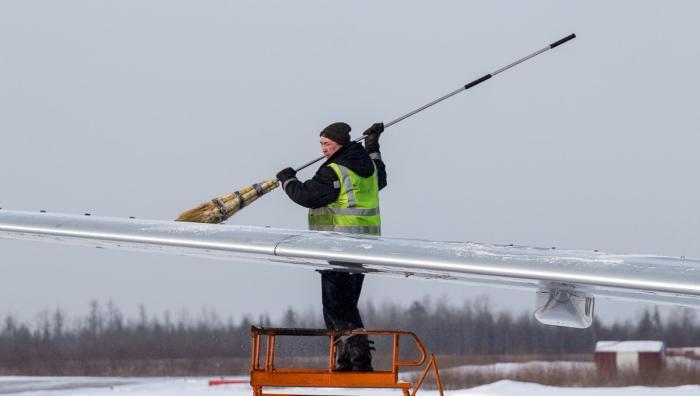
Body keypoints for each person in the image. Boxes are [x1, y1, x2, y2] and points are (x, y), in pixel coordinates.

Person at [276, 121, 386, 372]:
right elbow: (381, 177)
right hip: (365, 247)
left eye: (327, 143)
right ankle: (346, 360)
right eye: (321, 144)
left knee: (337, 306)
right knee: (345, 305)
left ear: (340, 143)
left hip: (338, 246)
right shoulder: (365, 164)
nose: (323, 149)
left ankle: (358, 361)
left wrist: (288, 180)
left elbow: (308, 196)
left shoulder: (335, 171)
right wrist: (373, 145)